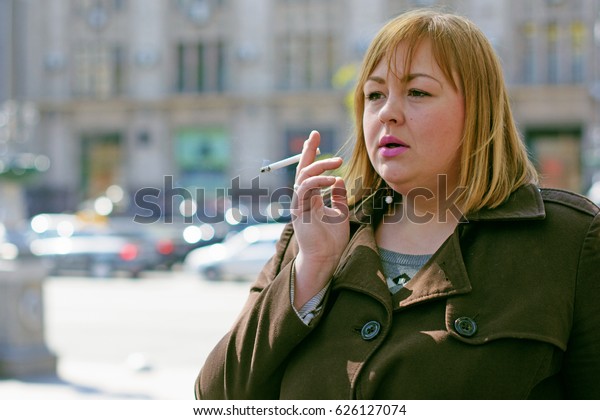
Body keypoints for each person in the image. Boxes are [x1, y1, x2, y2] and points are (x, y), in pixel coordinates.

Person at [195, 9, 600, 399]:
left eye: (417, 92)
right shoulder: (313, 236)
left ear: (479, 109)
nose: (387, 112)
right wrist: (313, 269)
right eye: (374, 95)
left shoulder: (570, 240)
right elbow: (217, 397)